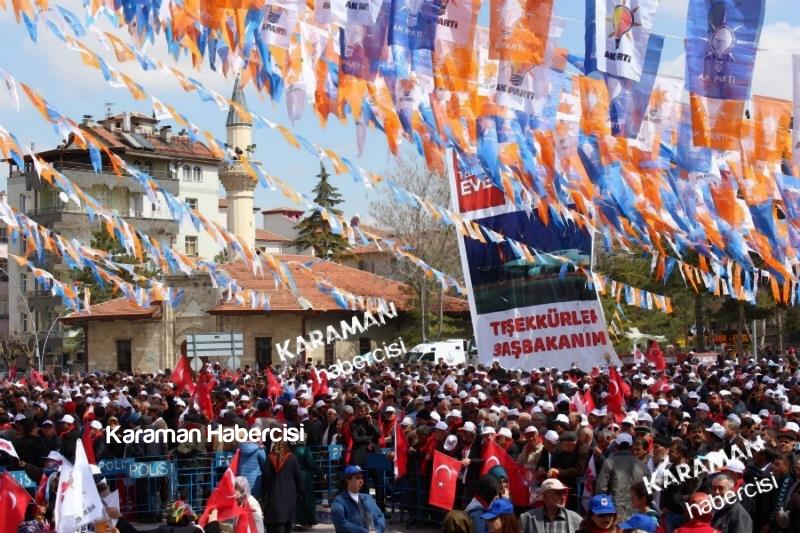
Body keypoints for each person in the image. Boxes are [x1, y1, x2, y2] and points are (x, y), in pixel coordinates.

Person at [595, 433, 650, 522]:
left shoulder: (609, 463)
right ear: (631, 446)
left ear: (616, 446)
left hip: (614, 513)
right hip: (636, 513)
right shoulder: (643, 466)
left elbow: (601, 489)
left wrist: (603, 510)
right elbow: (648, 490)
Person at [261, 440, 303, 533]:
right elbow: (299, 478)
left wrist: (263, 494)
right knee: (287, 527)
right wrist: (300, 493)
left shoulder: (269, 459)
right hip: (289, 500)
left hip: (273, 500)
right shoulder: (292, 458)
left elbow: (265, 478)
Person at [331, 465, 386, 533]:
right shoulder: (339, 501)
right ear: (347, 480)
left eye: (361, 478)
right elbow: (341, 524)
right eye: (357, 478)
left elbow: (380, 516)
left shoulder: (368, 498)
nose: (361, 481)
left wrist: (378, 531)